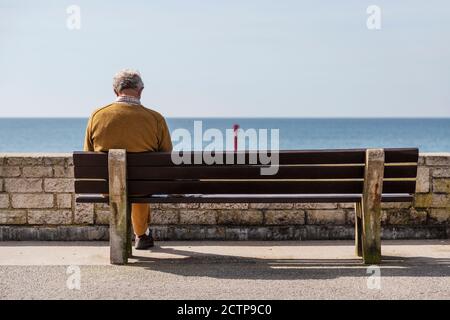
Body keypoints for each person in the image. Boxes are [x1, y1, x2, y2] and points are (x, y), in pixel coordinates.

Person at [83, 69, 172, 249]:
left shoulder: (97, 115)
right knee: (140, 187)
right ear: (140, 91)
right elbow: (167, 154)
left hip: (109, 187)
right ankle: (141, 234)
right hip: (142, 187)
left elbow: (89, 154)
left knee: (120, 184)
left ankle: (128, 236)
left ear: (115, 91)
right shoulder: (155, 118)